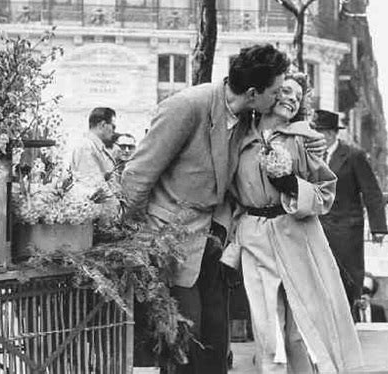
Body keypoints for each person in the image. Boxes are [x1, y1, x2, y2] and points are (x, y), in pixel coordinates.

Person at [122, 44, 324, 374]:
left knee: (216, 345)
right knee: (184, 342)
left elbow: (280, 132)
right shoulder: (187, 106)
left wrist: (311, 140)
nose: (277, 98)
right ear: (254, 92)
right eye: (275, 92)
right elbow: (137, 175)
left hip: (211, 243)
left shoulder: (248, 116)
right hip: (168, 240)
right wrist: (134, 244)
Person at [222, 73, 362, 373]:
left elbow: (325, 192)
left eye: (297, 97)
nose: (290, 99)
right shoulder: (238, 139)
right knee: (268, 330)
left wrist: (291, 185)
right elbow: (229, 193)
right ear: (266, 94)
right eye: (285, 91)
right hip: (255, 240)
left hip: (296, 236)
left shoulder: (304, 139)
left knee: (301, 331)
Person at [314, 109, 388, 311]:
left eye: (318, 132)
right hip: (318, 226)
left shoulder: (354, 155)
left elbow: (371, 191)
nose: (314, 136)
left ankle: (350, 319)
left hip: (346, 228)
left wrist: (378, 227)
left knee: (348, 275)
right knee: (320, 276)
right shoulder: (311, 156)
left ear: (330, 134)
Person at [70, 107, 117, 183]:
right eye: (113, 127)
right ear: (103, 125)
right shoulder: (86, 147)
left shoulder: (94, 146)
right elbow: (92, 184)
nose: (114, 131)